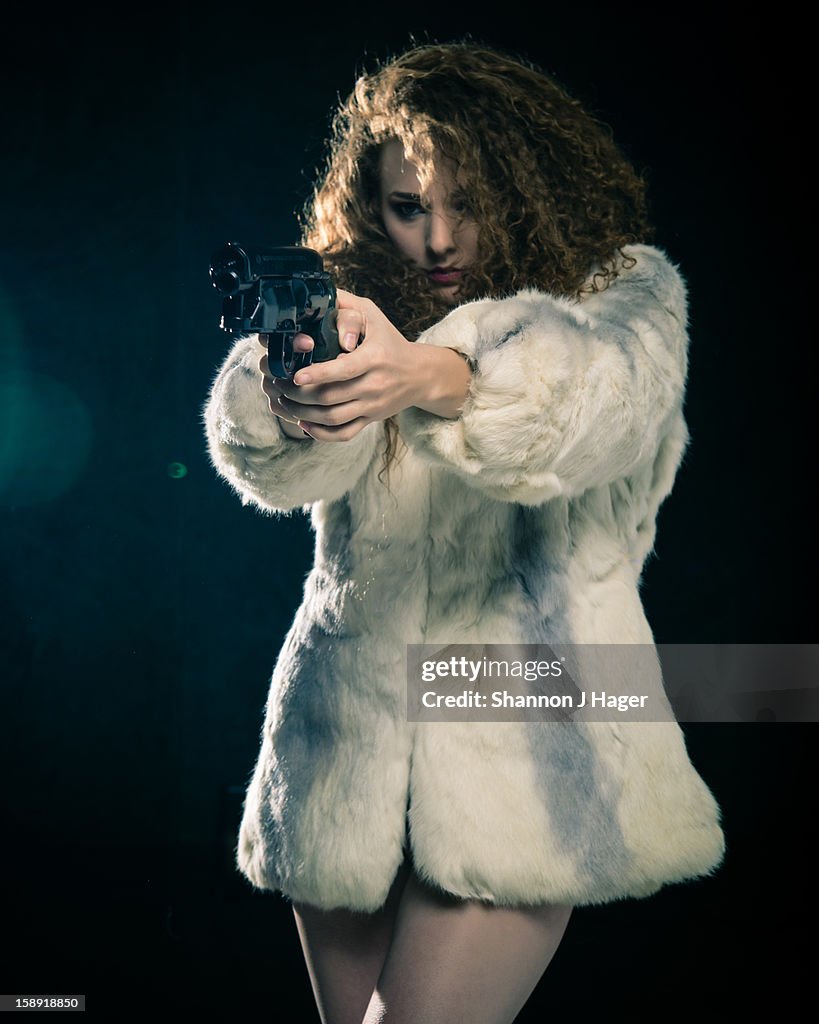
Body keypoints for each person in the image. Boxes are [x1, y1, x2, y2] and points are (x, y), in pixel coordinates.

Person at [203, 40, 725, 1024]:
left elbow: (592, 404)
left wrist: (430, 377)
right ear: (372, 207)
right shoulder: (359, 305)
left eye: (468, 204)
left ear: (529, 187)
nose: (437, 238)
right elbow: (278, 470)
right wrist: (293, 398)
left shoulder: (630, 295)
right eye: (408, 208)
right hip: (344, 746)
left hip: (533, 746)